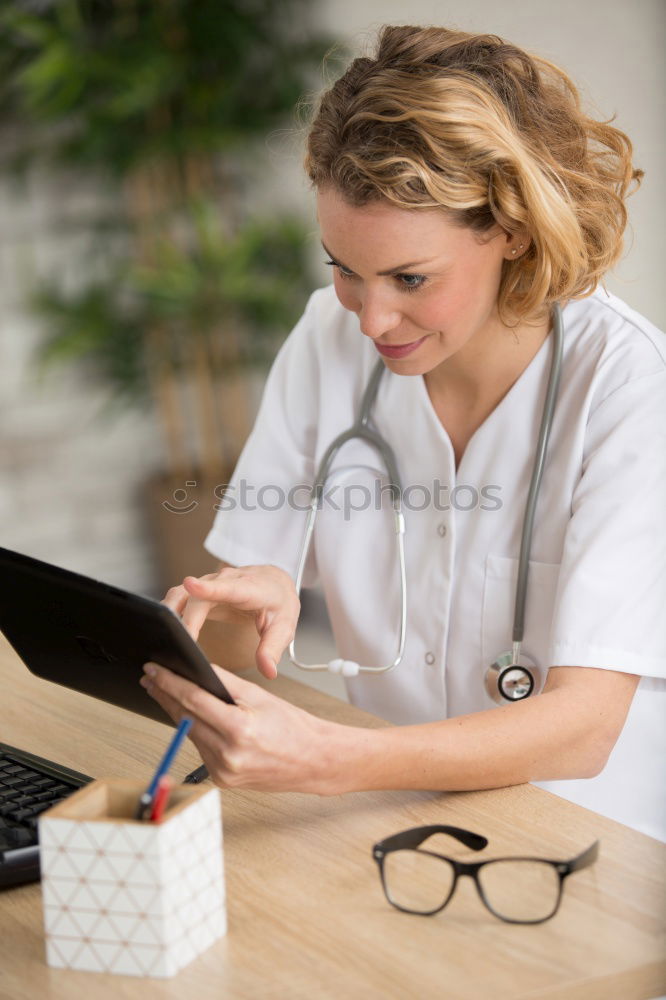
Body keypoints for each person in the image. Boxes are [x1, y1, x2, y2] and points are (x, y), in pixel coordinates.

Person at [140, 25, 666, 840]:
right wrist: (258, 597)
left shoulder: (629, 387)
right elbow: (244, 626)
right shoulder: (326, 335)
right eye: (344, 268)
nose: (372, 317)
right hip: (388, 827)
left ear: (514, 230)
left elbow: (585, 725)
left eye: (409, 278)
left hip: (589, 848)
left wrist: (329, 758)